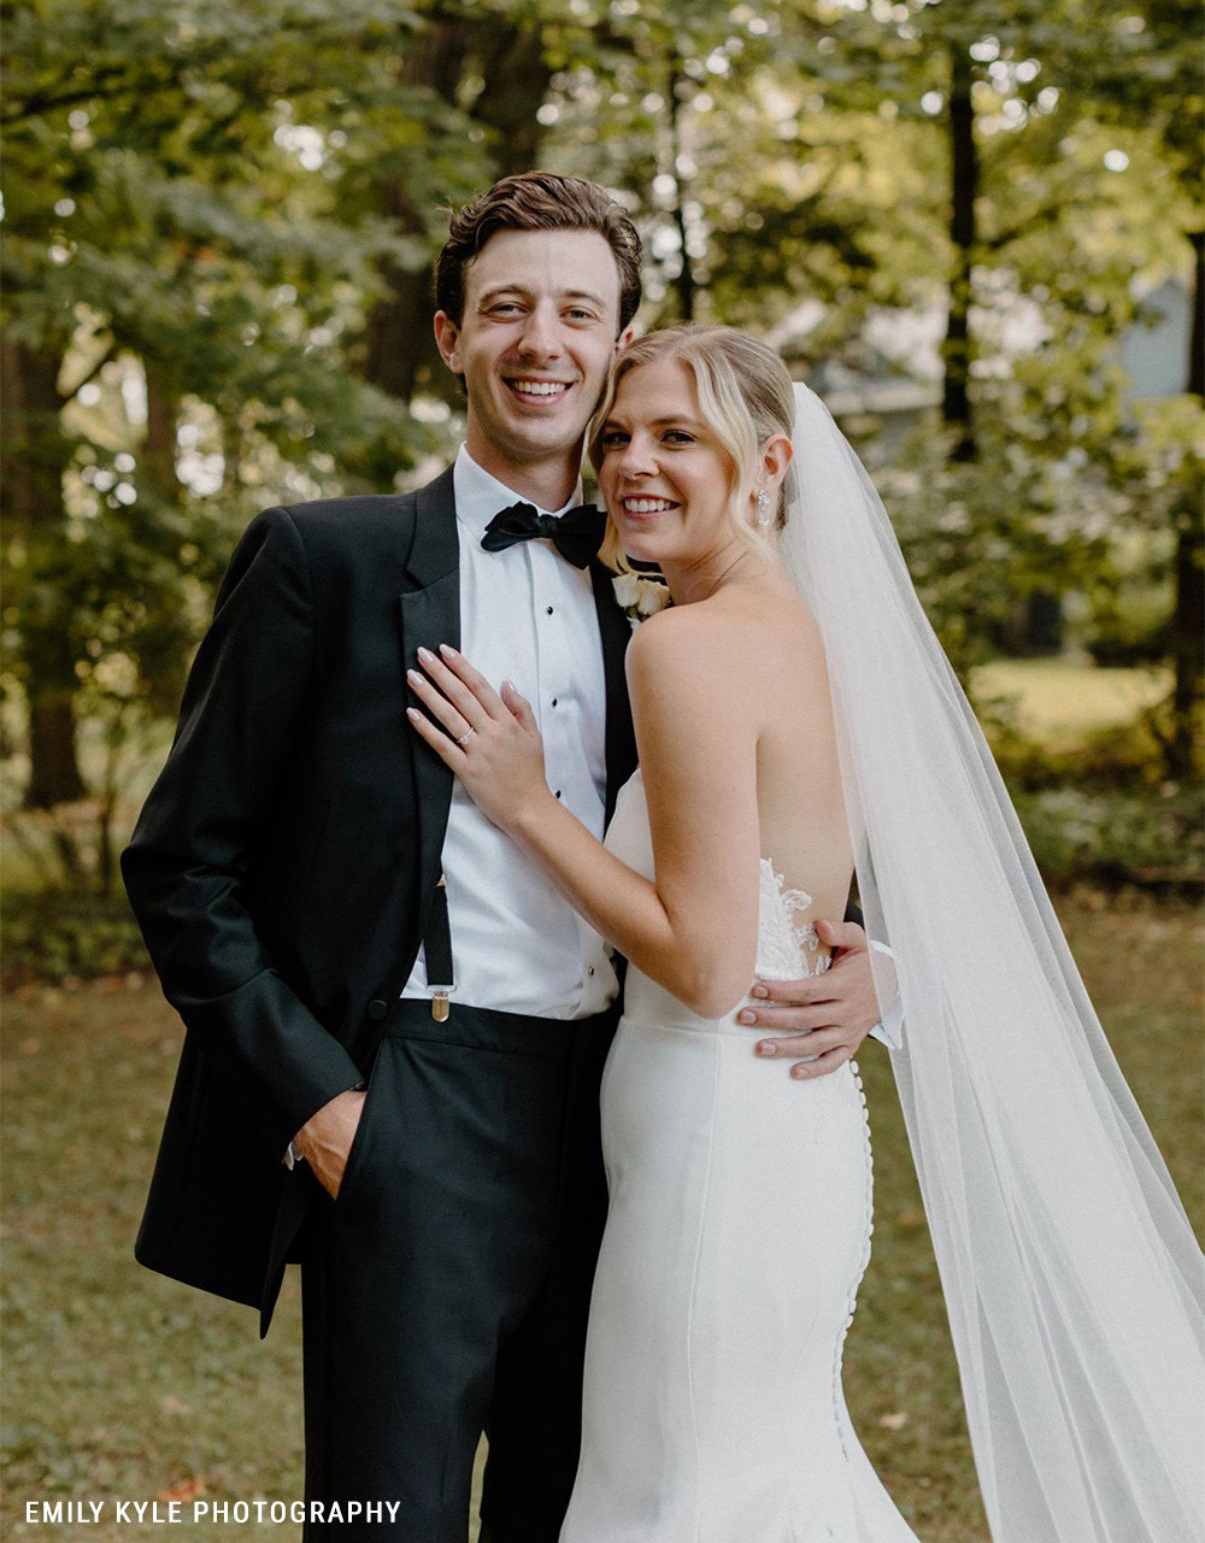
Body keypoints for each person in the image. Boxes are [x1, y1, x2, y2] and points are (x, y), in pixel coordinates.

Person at [120, 176, 890, 1543]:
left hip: (636, 1115)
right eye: (508, 307)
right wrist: (318, 1106)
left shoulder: (673, 580)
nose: (543, 338)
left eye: (578, 312)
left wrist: (868, 956)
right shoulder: (322, 563)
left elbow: (797, 811)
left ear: (615, 347)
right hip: (416, 1097)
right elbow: (182, 864)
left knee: (587, 1505)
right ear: (449, 337)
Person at [409, 324, 1205, 1542]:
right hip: (793, 1123)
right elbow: (807, 889)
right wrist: (871, 959)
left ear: (768, 462)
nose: (631, 463)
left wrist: (526, 808)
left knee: (678, 1497)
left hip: (715, 1131)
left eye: (679, 435)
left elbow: (709, 959)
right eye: (617, 435)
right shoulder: (815, 635)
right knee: (756, 1476)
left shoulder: (685, 648)